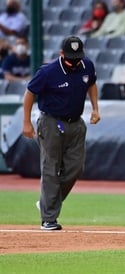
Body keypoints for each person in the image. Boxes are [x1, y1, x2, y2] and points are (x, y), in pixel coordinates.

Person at [22, 36, 101, 230]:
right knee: (50, 168)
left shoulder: (87, 66)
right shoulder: (48, 72)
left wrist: (95, 108)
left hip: (76, 123)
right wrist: (27, 123)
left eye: (78, 58)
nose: (74, 62)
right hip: (51, 122)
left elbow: (91, 83)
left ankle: (48, 202)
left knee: (76, 168)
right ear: (61, 54)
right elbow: (30, 93)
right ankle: (48, 218)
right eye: (70, 58)